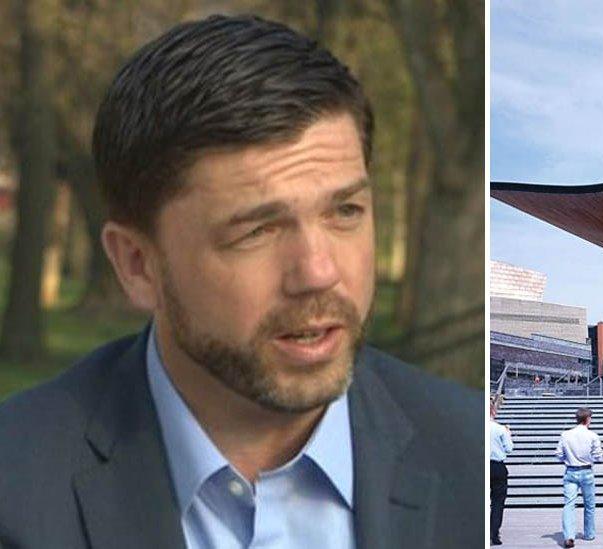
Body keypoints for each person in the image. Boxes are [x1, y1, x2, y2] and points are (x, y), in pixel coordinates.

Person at [0, 15, 482, 549]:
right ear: (138, 265)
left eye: (345, 211)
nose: (319, 272)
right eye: (257, 231)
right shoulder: (17, 489)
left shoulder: (468, 457)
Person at [555, 407, 603, 548]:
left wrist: (567, 459)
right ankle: (589, 533)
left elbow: (558, 454)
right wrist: (592, 459)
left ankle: (569, 535)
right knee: (589, 504)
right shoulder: (593, 435)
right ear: (588, 419)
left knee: (569, 504)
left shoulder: (565, 435)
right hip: (586, 470)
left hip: (570, 470)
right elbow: (599, 456)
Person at [489, 403, 515, 546]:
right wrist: (509, 434)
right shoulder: (500, 429)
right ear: (494, 411)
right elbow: (509, 449)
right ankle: (494, 533)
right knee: (498, 502)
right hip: (496, 466)